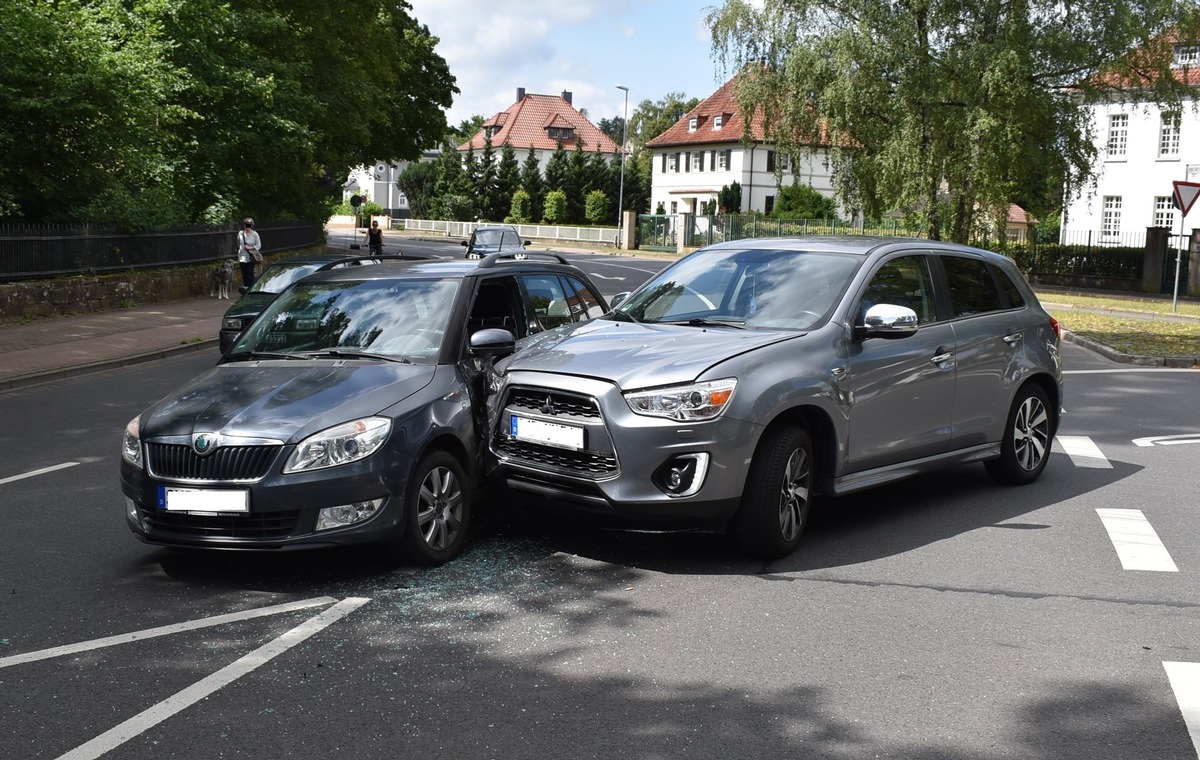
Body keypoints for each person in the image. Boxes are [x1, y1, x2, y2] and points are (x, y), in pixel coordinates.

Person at [237, 218, 262, 287]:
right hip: (242, 257)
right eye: (246, 225)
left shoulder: (255, 234)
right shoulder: (241, 233)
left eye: (249, 225)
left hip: (250, 257)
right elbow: (238, 243)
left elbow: (258, 245)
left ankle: (250, 289)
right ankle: (245, 289)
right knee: (244, 275)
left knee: (250, 274)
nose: (247, 227)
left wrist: (250, 247)